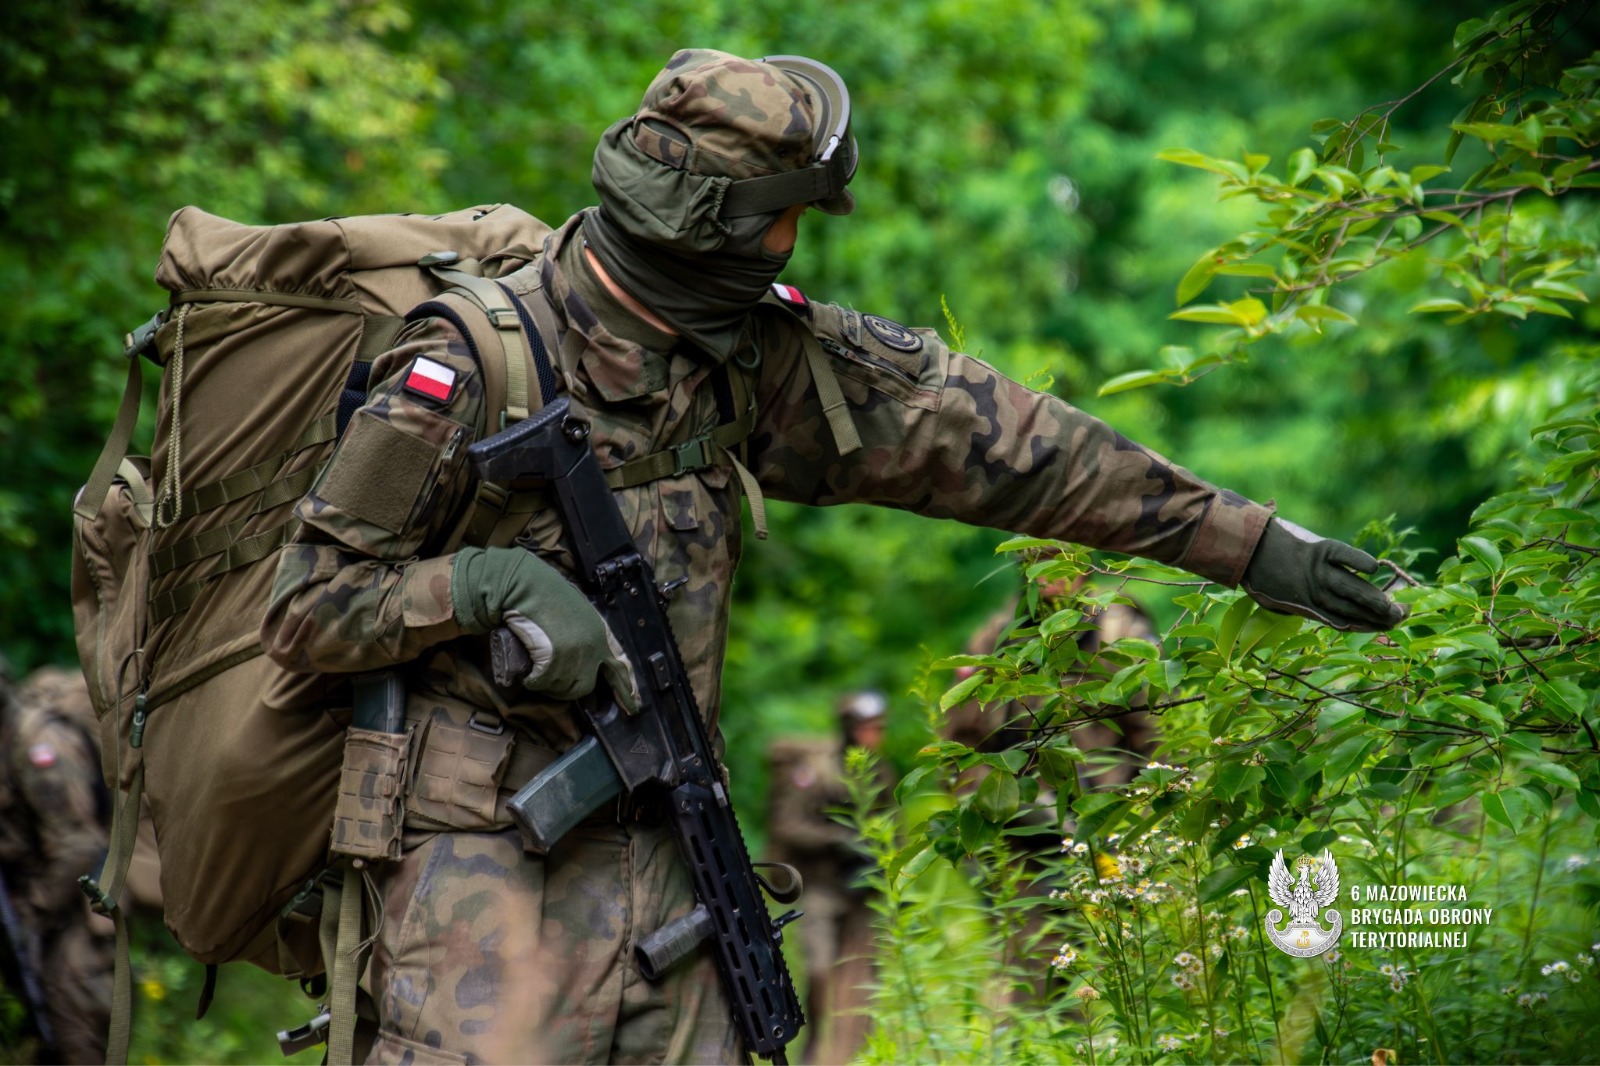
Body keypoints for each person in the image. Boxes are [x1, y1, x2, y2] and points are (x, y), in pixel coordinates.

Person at [261, 47, 1405, 1063]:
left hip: (671, 863)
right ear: (706, 225)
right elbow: (306, 606)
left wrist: (1249, 545)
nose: (792, 244)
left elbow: (1005, 442)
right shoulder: (465, 369)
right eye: (779, 218)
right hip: (476, 892)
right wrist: (484, 582)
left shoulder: (748, 359)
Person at [766, 691, 895, 1065]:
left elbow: (892, 826)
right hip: (821, 888)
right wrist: (838, 839)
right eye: (868, 728)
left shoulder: (880, 773)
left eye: (879, 728)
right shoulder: (815, 771)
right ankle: (813, 1050)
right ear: (849, 730)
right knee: (820, 971)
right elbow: (787, 824)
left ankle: (853, 1054)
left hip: (862, 893)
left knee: (864, 980)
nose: (875, 736)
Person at [0, 661, 113, 1065]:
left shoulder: (37, 742)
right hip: (34, 911)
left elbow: (79, 844)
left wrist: (35, 911)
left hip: (75, 916)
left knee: (75, 1041)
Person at [949, 571, 1159, 789]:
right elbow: (962, 744)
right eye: (1043, 561)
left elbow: (1155, 730)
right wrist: (996, 796)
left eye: (1065, 562)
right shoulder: (997, 640)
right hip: (1021, 801)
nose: (1054, 574)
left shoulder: (1117, 632)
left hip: (1107, 797)